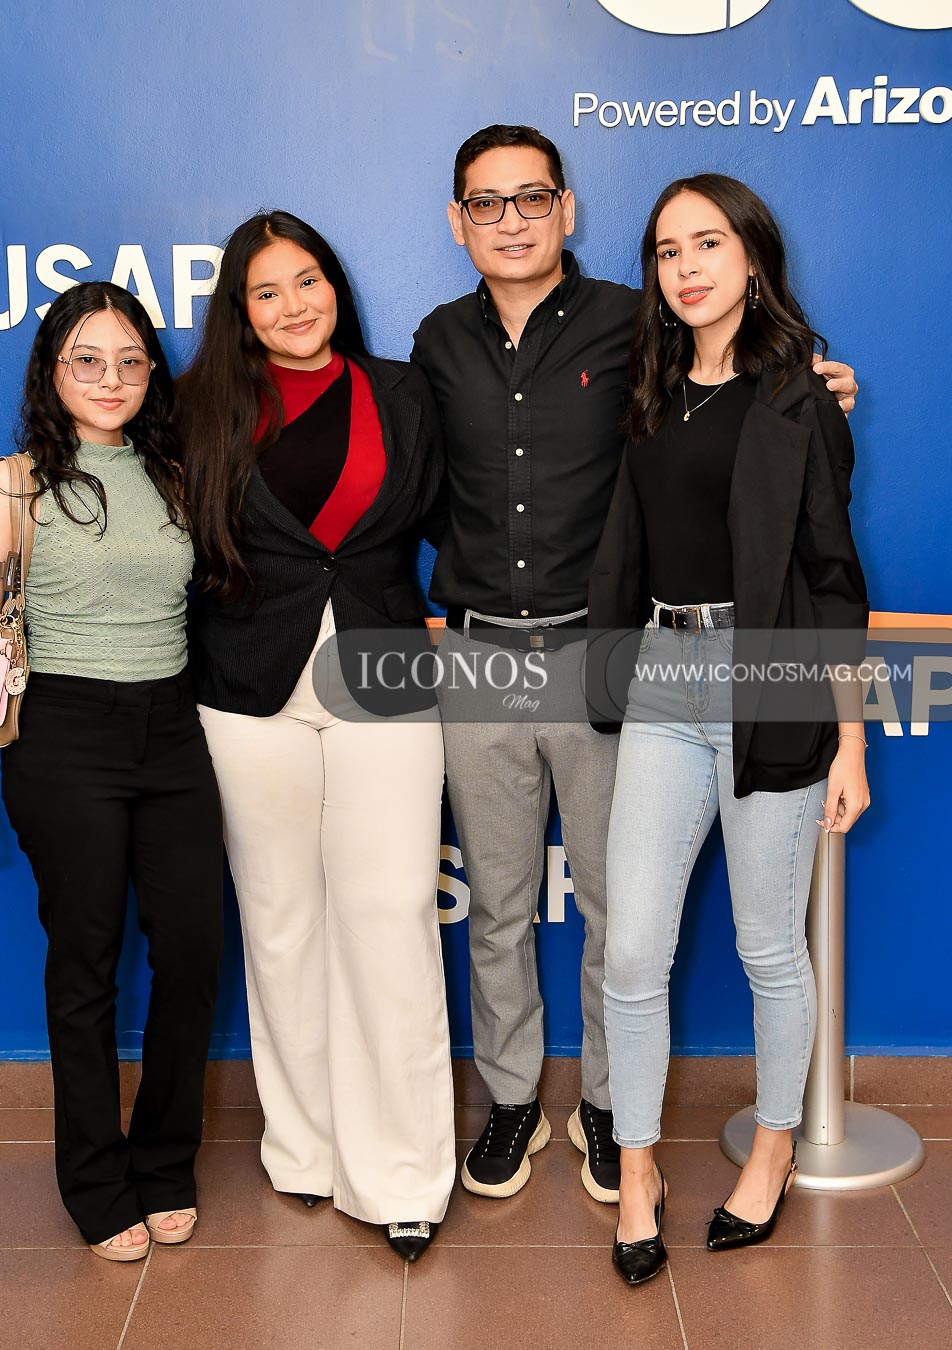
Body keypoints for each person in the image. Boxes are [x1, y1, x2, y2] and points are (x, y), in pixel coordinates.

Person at [411, 124, 859, 1206]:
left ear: (567, 210)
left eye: (532, 198)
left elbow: (752, 424)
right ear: (458, 221)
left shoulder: (633, 323)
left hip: (607, 653)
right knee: (500, 903)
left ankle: (614, 1112)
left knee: (622, 913)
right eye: (486, 203)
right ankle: (513, 1099)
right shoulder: (438, 341)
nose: (510, 221)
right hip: (482, 653)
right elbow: (415, 478)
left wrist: (816, 391)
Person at [586, 174, 870, 1286]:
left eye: (708, 243)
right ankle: (639, 1170)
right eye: (668, 251)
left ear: (752, 256)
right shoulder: (652, 393)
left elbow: (833, 581)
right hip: (663, 676)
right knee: (633, 949)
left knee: (767, 945)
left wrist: (850, 744)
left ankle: (775, 1149)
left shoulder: (800, 399)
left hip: (772, 680)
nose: (687, 267)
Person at [178, 212, 454, 1262]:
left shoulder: (403, 391)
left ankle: (404, 1172)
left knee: (391, 911)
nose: (294, 305)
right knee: (281, 922)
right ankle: (305, 1148)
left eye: (308, 281)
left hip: (384, 666)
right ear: (239, 311)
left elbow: (482, 495)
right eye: (267, 291)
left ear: (335, 284)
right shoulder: (197, 408)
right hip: (246, 684)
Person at [0, 282, 225, 1262]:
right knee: (86, 962)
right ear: (51, 372)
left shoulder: (176, 474)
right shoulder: (13, 486)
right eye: (87, 360)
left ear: (152, 372)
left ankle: (165, 1160)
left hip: (173, 730)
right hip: (64, 735)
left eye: (130, 360)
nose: (111, 378)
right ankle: (97, 1182)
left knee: (192, 950)